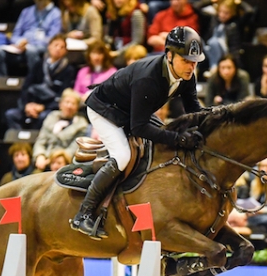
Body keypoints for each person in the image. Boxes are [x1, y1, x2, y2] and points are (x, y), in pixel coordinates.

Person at [73, 26, 204, 238]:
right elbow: (139, 127)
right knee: (123, 156)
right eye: (186, 60)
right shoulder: (148, 79)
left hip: (130, 109)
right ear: (169, 56)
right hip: (105, 109)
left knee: (161, 137)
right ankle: (84, 213)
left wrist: (216, 120)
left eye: (194, 62)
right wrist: (178, 139)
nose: (191, 66)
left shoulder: (187, 76)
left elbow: (194, 110)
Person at [4, 34, 76, 130]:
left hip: (50, 108)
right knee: (10, 115)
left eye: (62, 47)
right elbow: (26, 87)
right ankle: (19, 139)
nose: (58, 49)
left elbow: (62, 95)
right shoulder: (39, 64)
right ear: (49, 46)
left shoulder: (68, 70)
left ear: (65, 51)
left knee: (43, 117)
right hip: (32, 104)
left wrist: (43, 107)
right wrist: (27, 105)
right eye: (56, 45)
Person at [0, 0, 63, 77]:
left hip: (40, 46)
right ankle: (2, 81)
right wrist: (19, 42)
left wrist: (29, 43)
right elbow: (15, 34)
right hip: (20, 46)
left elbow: (52, 39)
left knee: (31, 51)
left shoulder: (56, 13)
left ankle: (34, 81)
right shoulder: (26, 11)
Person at [32, 89, 88, 169]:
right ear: (60, 104)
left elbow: (73, 149)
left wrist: (54, 159)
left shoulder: (81, 124)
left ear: (77, 107)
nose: (69, 106)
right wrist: (40, 155)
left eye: (73, 103)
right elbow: (41, 140)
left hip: (65, 163)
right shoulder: (51, 117)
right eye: (67, 102)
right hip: (45, 161)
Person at [202, 0, 242, 71]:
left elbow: (249, 11)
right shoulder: (213, 19)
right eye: (220, 12)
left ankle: (215, 68)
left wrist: (239, 2)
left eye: (226, 13)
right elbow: (196, 7)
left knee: (214, 42)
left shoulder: (236, 24)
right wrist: (211, 1)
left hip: (226, 54)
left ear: (232, 13)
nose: (222, 15)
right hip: (208, 52)